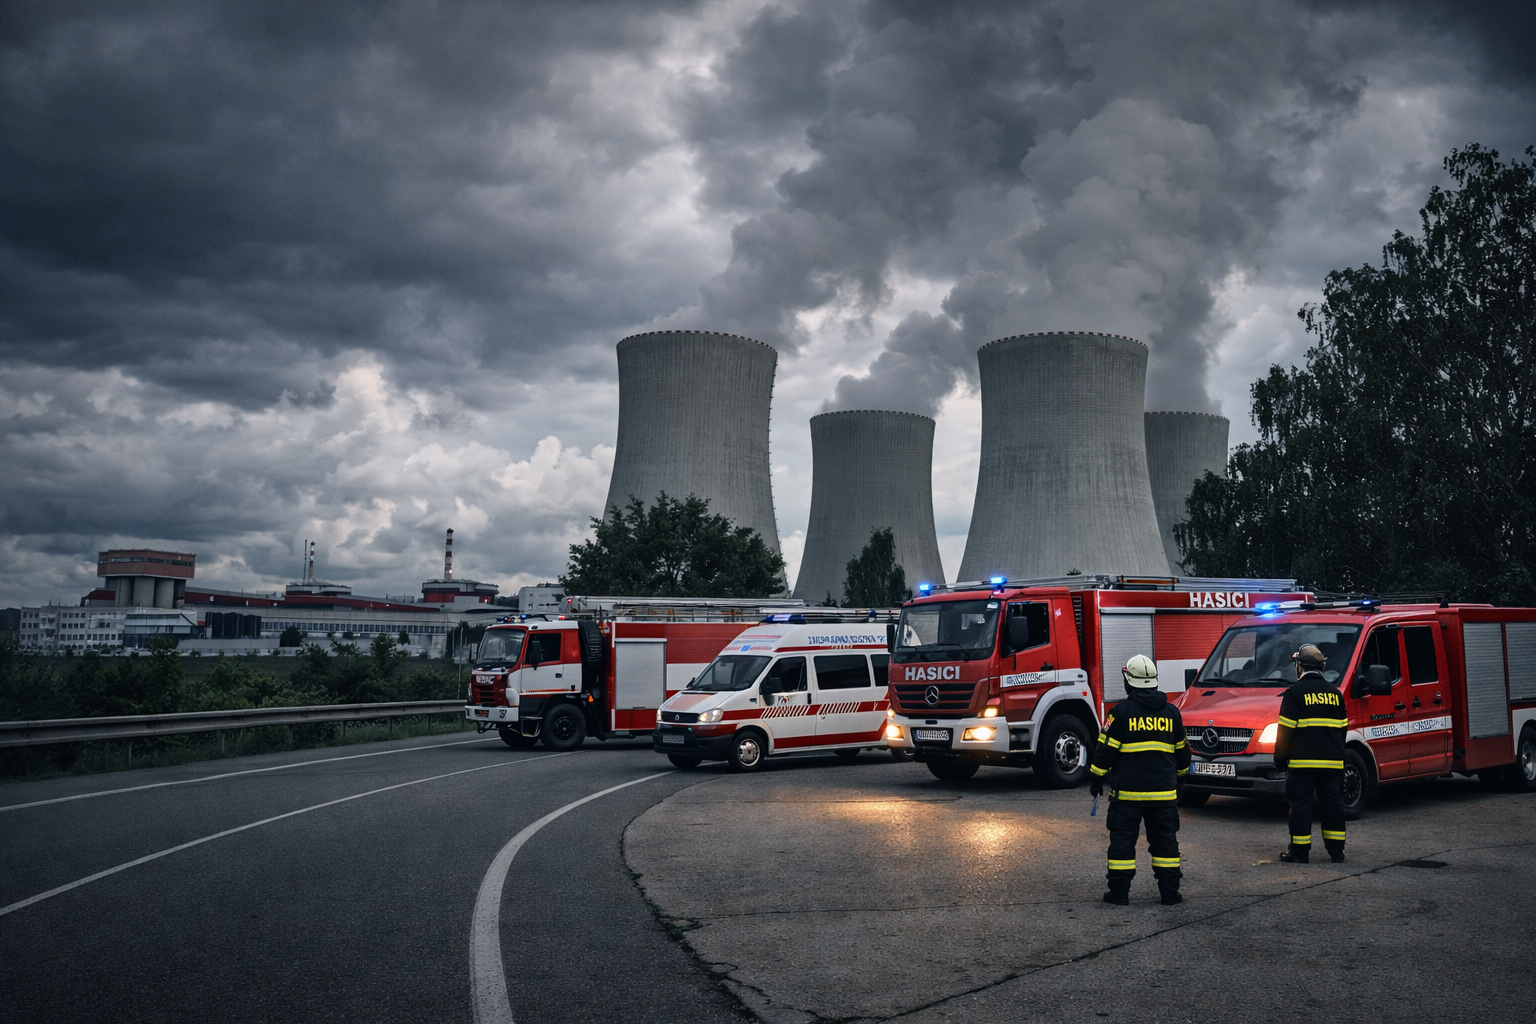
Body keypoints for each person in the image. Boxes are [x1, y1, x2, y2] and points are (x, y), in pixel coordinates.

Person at [1088, 654, 1191, 905]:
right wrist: (1178, 781)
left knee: (1122, 842)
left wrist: (1095, 778)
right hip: (1164, 796)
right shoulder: (1172, 713)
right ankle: (1169, 893)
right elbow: (1183, 755)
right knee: (1165, 842)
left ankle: (1119, 893)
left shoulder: (1120, 713)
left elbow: (1105, 751)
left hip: (1128, 796)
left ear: (1129, 681)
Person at [1274, 643, 1349, 863]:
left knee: (1300, 805)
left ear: (1299, 666)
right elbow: (1342, 729)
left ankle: (1299, 852)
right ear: (1322, 667)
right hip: (1332, 763)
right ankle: (1337, 851)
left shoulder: (1294, 693)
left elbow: (1285, 731)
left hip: (1302, 764)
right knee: (1333, 804)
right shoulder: (1336, 694)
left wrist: (1280, 758)